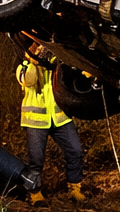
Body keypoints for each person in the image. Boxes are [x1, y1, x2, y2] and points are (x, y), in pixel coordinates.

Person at [17, 56, 85, 204]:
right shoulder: (25, 65)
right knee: (36, 160)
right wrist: (32, 62)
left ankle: (75, 189)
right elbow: (27, 81)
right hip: (35, 120)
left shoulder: (59, 59)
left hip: (60, 117)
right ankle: (35, 194)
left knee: (75, 150)